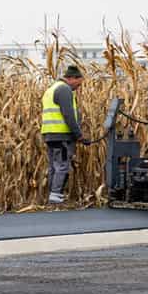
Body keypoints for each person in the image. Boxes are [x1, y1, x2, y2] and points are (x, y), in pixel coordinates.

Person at [39, 63, 89, 205]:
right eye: (77, 84)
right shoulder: (64, 89)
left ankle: (53, 194)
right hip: (61, 135)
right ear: (72, 78)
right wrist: (79, 135)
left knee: (54, 165)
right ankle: (56, 194)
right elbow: (68, 115)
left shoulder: (51, 89)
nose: (77, 88)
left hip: (50, 134)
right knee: (62, 165)